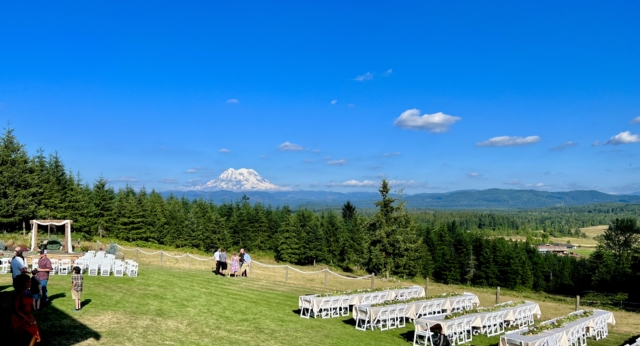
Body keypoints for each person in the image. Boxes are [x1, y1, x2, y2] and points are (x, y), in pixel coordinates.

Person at [11, 273, 40, 346]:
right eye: (28, 282)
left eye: (30, 281)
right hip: (19, 317)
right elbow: (16, 309)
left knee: (34, 331)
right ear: (22, 283)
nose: (30, 283)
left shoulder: (27, 291)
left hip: (27, 314)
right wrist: (27, 318)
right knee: (19, 335)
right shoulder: (18, 293)